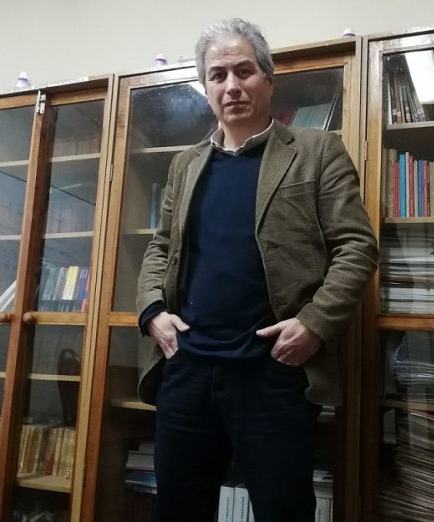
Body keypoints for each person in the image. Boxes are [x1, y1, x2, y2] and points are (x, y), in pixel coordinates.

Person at [136, 17, 378, 522]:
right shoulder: (185, 164)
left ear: (268, 80)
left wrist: (315, 324)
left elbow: (356, 247)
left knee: (283, 510)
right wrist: (152, 312)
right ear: (206, 89)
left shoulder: (317, 152)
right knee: (178, 510)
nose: (232, 85)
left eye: (243, 71)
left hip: (273, 372)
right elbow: (161, 247)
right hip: (187, 367)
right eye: (218, 75)